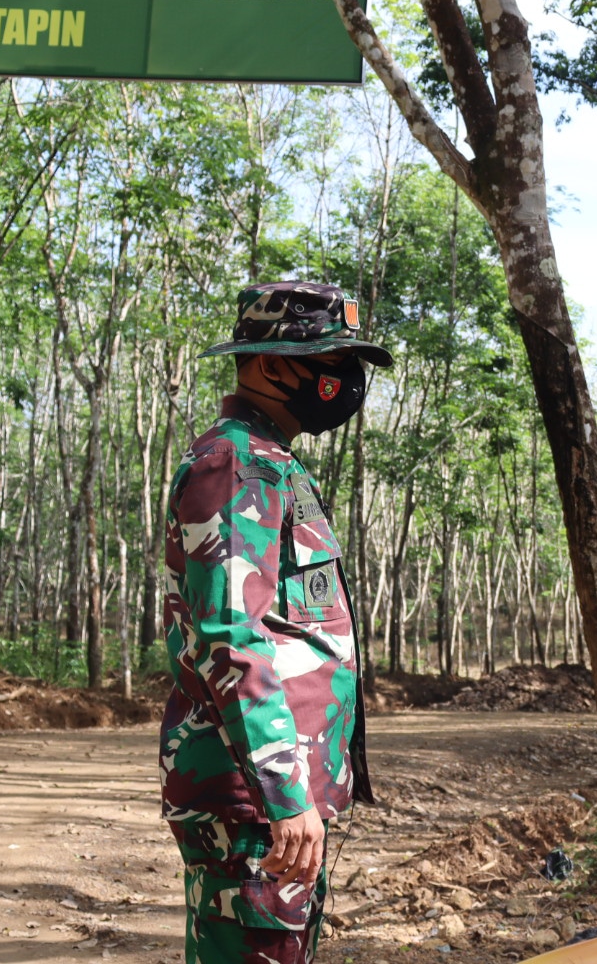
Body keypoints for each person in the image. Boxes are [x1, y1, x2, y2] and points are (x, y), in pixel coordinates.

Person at [159, 282, 390, 964]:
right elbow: (231, 638)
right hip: (256, 799)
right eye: (329, 360)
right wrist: (285, 794)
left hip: (272, 796)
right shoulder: (236, 464)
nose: (345, 379)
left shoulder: (271, 462)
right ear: (268, 365)